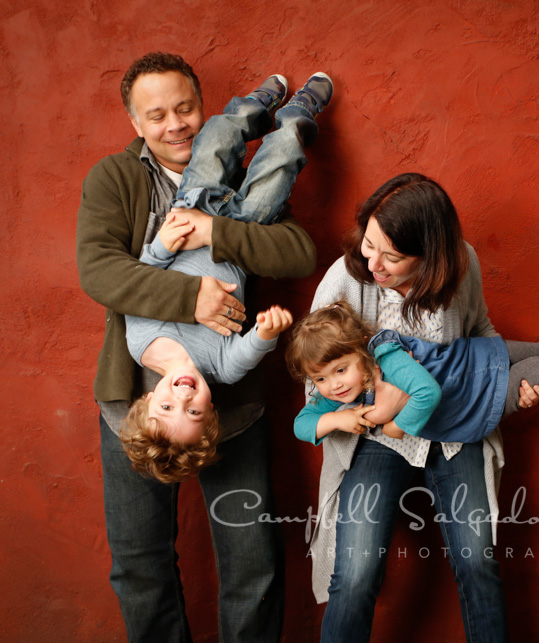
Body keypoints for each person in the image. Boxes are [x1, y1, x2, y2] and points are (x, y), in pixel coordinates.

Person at [76, 51, 320, 641]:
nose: (175, 124)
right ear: (136, 123)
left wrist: (217, 230)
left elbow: (299, 253)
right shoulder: (113, 177)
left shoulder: (235, 169)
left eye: (185, 108)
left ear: (202, 107)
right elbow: (100, 272)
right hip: (129, 405)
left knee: (252, 558)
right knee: (140, 562)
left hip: (229, 398)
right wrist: (192, 300)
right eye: (156, 115)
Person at [304, 172, 539, 642]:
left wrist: (507, 384)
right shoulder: (346, 278)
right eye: (369, 243)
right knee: (354, 576)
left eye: (393, 256)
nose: (373, 262)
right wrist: (366, 406)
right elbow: (313, 372)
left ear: (431, 258)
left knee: (478, 564)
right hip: (380, 437)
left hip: (455, 428)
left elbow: (481, 331)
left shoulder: (462, 264)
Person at [121, 72, 334, 483]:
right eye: (194, 410)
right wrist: (267, 333)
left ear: (148, 399)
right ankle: (299, 114)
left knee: (217, 135)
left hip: (191, 209)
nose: (183, 396)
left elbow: (144, 275)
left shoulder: (140, 343)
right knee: (282, 158)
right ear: (211, 410)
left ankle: (255, 106)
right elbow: (247, 351)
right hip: (244, 229)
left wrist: (164, 244)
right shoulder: (222, 367)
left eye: (167, 407)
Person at [288, 301, 539, 444]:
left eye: (340, 370)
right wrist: (335, 421)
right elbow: (300, 424)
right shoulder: (337, 401)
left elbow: (426, 392)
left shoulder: (383, 352)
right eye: (319, 378)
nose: (333, 385)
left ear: (359, 349)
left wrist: (394, 426)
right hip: (469, 404)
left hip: (471, 360)